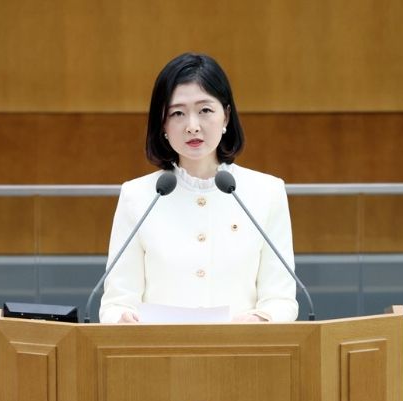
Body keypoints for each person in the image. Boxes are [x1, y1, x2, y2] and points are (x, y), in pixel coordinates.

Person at [99, 52, 299, 324]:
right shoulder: (137, 196)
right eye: (177, 113)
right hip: (158, 349)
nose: (192, 127)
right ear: (163, 124)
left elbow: (281, 299)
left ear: (226, 116)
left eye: (205, 110)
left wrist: (261, 320)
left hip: (242, 347)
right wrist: (122, 319)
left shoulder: (267, 192)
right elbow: (115, 303)